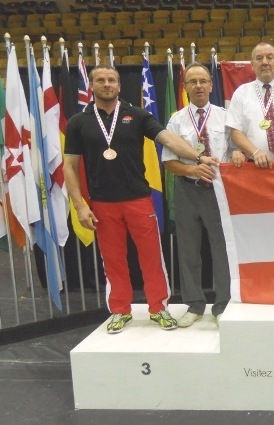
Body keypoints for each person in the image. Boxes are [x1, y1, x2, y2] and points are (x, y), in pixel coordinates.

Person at [63, 65, 202, 334]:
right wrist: (80, 206)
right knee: (113, 259)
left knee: (151, 257)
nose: (107, 84)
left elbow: (168, 139)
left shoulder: (137, 115)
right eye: (100, 80)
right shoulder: (78, 121)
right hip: (102, 203)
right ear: (91, 85)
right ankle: (120, 310)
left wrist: (198, 157)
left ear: (119, 85)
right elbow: (69, 167)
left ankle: (158, 308)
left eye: (111, 80)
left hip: (138, 199)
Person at [162, 63, 234, 327]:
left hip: (219, 192)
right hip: (187, 190)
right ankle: (194, 305)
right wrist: (193, 170)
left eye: (203, 81)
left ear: (211, 85)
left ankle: (223, 304)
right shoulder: (176, 120)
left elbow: (236, 152)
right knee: (188, 249)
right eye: (193, 82)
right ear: (185, 88)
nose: (199, 86)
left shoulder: (226, 117)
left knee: (222, 249)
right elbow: (169, 162)